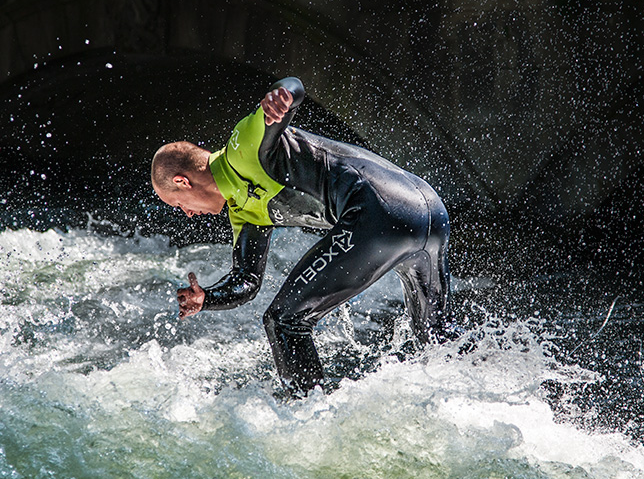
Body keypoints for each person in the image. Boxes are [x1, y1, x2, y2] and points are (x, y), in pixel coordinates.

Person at [151, 77, 454, 395]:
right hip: (430, 212)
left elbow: (294, 88)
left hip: (378, 211)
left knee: (284, 321)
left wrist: (281, 97)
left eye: (177, 204)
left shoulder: (242, 148)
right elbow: (246, 282)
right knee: (436, 344)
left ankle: (306, 417)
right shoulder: (244, 213)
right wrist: (207, 298)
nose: (186, 213)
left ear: (183, 181)